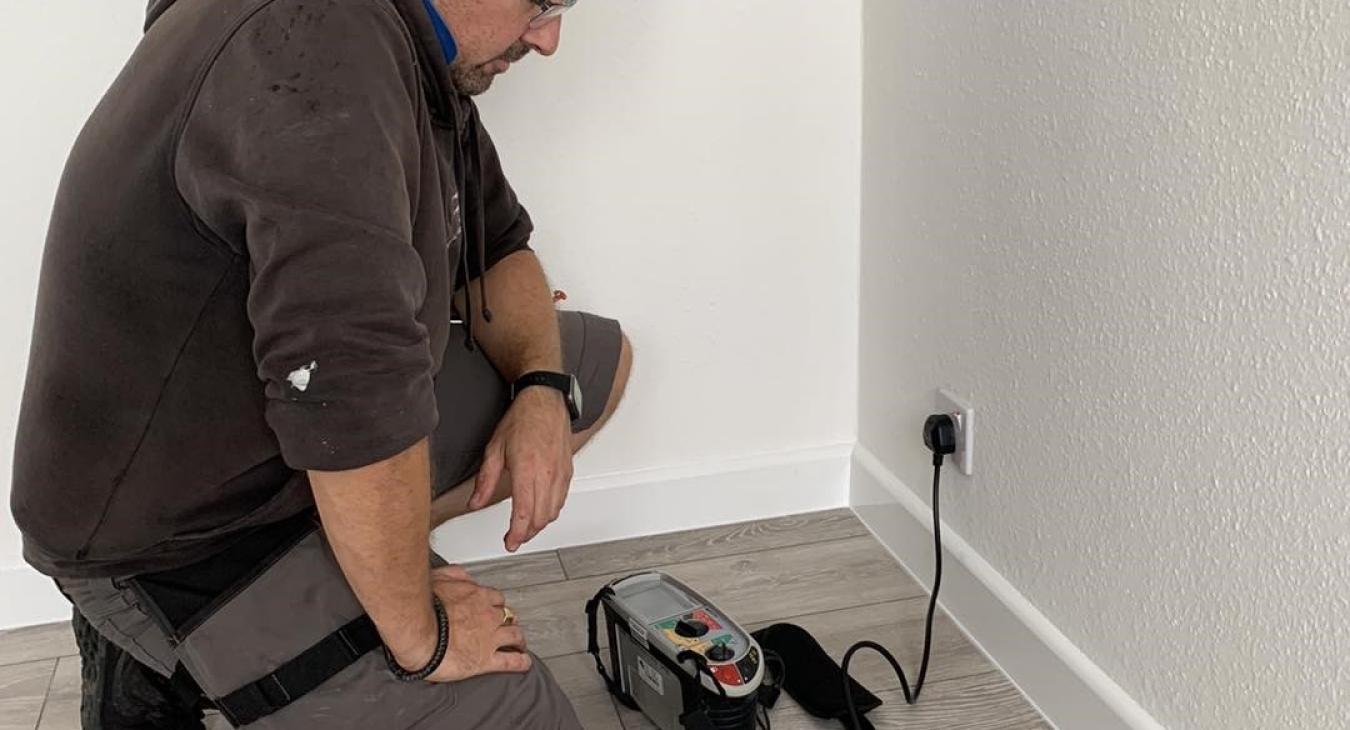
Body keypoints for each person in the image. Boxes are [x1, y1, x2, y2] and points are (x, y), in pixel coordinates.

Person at [10, 0, 633, 727]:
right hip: (172, 532)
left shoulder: (413, 53)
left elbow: (497, 248)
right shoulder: (317, 58)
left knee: (593, 365)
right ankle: (162, 646)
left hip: (283, 443)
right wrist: (422, 639)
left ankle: (347, 551)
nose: (549, 39)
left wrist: (541, 390)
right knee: (525, 714)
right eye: (542, 3)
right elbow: (351, 397)